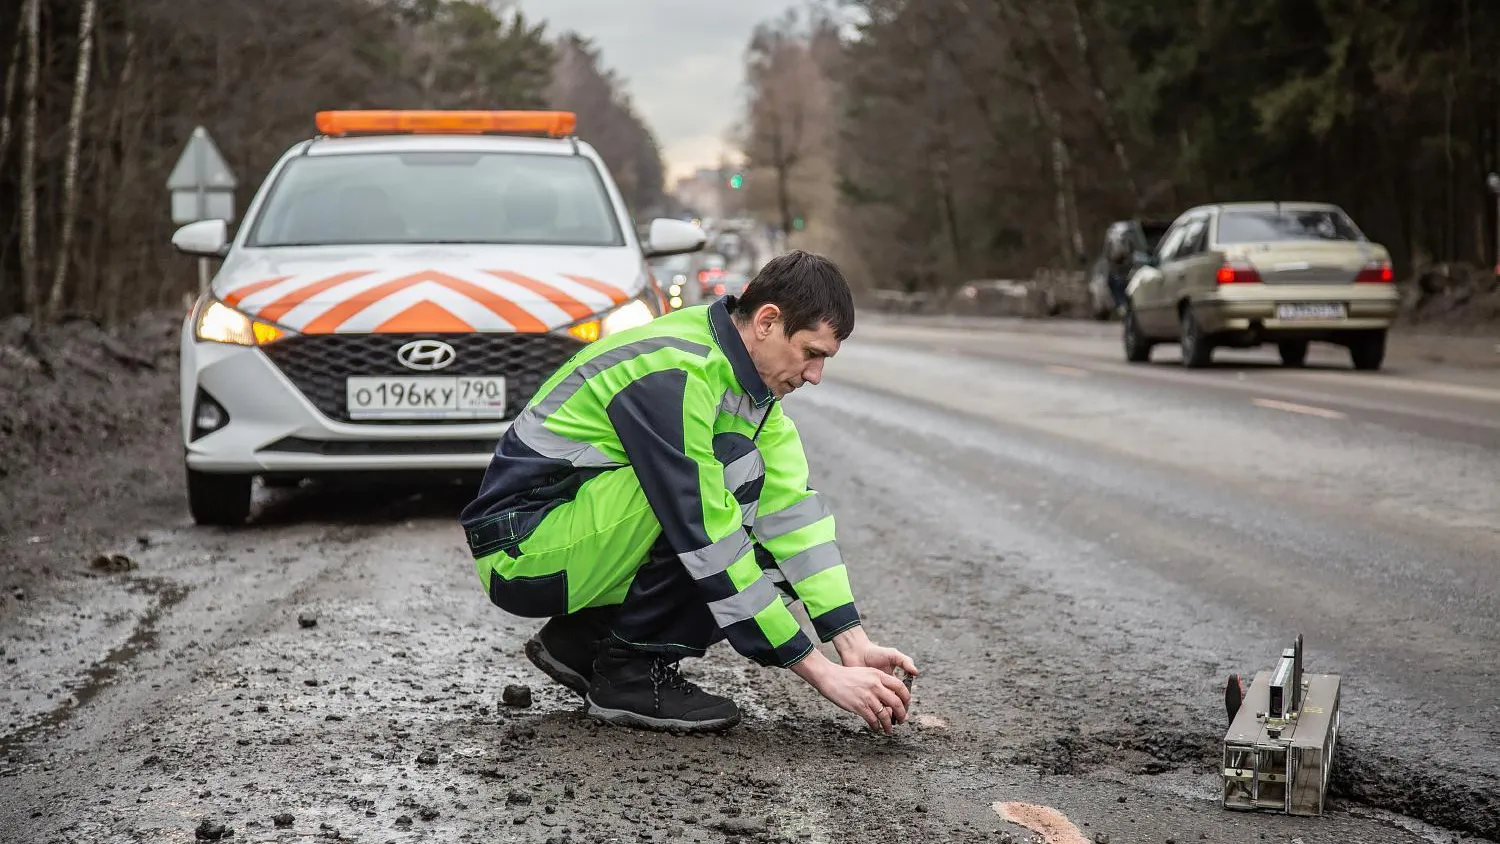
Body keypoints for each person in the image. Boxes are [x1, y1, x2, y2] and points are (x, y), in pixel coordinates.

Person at [459, 250, 919, 734]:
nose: (814, 375)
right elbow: (704, 533)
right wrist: (818, 671)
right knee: (722, 486)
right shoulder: (673, 369)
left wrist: (851, 642)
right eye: (811, 353)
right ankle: (630, 674)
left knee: (761, 529)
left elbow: (792, 515)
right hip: (523, 550)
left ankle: (583, 645)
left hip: (574, 537)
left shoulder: (747, 387)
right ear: (767, 321)